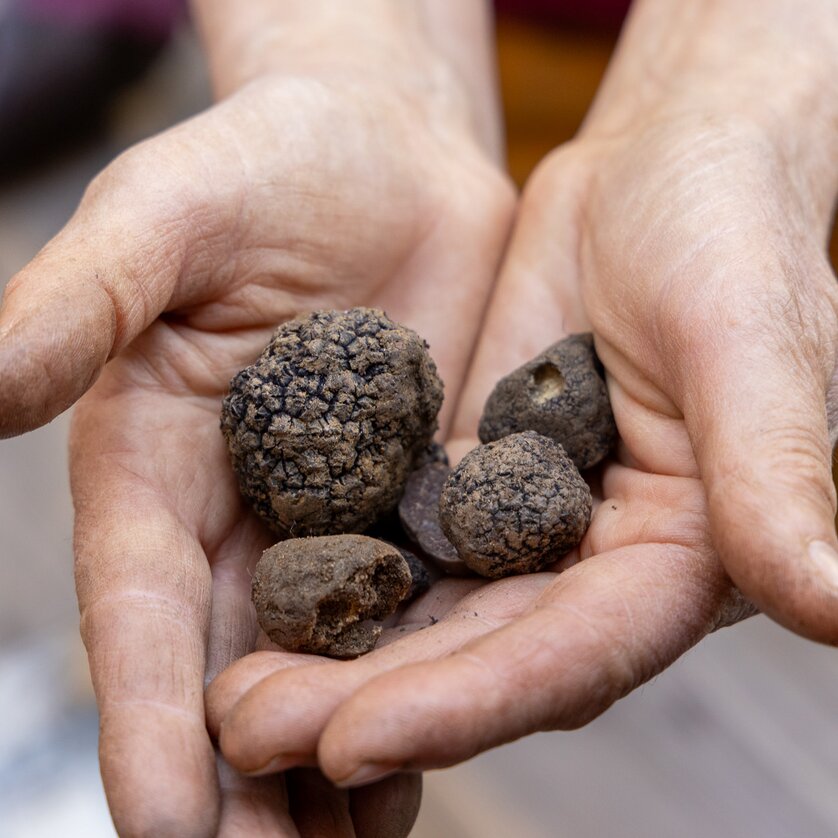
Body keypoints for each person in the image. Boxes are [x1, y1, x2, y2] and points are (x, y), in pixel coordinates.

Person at [1, 0, 836, 834]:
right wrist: (356, 60)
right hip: (470, 76)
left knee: (750, 377)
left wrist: (744, 98)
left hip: (690, 138)